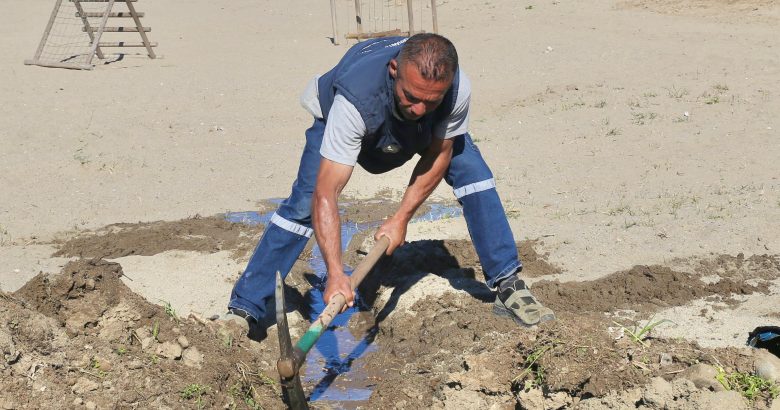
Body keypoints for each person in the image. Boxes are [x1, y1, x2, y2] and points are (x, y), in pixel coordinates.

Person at [225, 33, 555, 333]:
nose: (420, 108)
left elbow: (439, 154)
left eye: (432, 101)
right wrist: (336, 274)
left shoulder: (454, 89)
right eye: (412, 97)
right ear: (395, 69)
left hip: (414, 132)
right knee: (304, 200)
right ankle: (245, 307)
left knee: (473, 170)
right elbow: (327, 194)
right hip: (353, 114)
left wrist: (401, 219)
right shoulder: (354, 99)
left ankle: (508, 282)